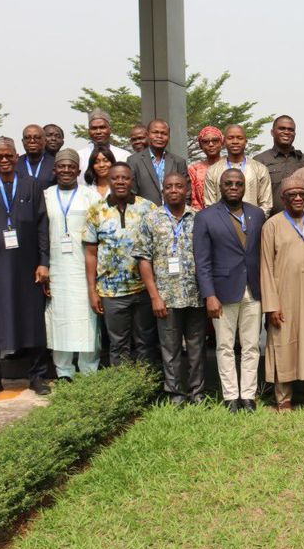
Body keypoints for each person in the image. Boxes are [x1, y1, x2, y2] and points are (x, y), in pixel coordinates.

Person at [0, 138, 51, 397]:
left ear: (17, 156)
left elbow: (42, 226)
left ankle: (37, 376)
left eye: (8, 156)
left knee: (32, 319)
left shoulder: (32, 185)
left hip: (28, 266)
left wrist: (43, 262)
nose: (4, 160)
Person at [193, 168, 266, 413]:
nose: (233, 187)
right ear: (220, 187)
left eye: (238, 183)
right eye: (228, 183)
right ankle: (230, 396)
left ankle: (248, 395)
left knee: (251, 346)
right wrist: (209, 295)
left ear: (245, 187)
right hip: (222, 291)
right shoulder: (205, 217)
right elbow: (202, 261)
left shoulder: (256, 214)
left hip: (253, 290)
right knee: (224, 346)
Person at [260, 180, 304, 411]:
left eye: (302, 193)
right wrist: (271, 305)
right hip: (283, 296)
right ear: (284, 199)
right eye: (292, 195)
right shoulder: (272, 225)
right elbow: (266, 266)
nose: (298, 198)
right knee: (283, 343)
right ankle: (284, 397)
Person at [135, 172, 205, 405]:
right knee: (170, 348)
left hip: (196, 296)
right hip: (165, 297)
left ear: (187, 190)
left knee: (196, 348)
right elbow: (143, 259)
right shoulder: (150, 219)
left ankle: (197, 394)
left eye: (179, 186)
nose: (174, 190)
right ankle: (175, 394)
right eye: (169, 187)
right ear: (163, 191)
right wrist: (154, 296)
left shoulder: (199, 218)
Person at [84, 161, 157, 365]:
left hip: (143, 290)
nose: (120, 181)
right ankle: (124, 392)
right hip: (111, 292)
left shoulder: (147, 207)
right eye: (115, 178)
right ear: (108, 180)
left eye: (125, 177)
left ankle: (145, 388)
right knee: (118, 345)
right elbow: (91, 253)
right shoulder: (96, 211)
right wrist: (92, 290)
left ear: (132, 180)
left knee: (145, 343)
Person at [43, 149, 101, 382]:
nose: (66, 170)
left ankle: (88, 369)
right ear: (55, 170)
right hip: (56, 266)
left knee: (87, 318)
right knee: (59, 319)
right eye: (61, 166)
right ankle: (64, 371)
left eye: (71, 167)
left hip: (83, 268)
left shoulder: (91, 195)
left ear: (78, 171)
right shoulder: (46, 195)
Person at [204, 123, 274, 213]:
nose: (235, 141)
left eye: (239, 138)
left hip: (253, 224)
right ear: (224, 142)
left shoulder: (260, 169)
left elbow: (266, 204)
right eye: (230, 138)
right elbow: (210, 205)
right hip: (222, 225)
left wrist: (254, 222)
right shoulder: (213, 170)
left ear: (246, 141)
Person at [254, 115, 304, 215]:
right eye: (282, 128)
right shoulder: (259, 161)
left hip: (301, 222)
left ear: (295, 134)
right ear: (272, 132)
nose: (286, 132)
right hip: (269, 221)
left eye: (290, 130)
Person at [129, 118, 187, 205]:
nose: (159, 136)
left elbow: (187, 192)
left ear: (169, 137)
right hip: (145, 215)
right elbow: (132, 192)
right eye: (155, 132)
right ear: (148, 135)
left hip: (174, 215)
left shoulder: (179, 162)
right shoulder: (134, 161)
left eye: (164, 133)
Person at [188, 126, 223, 210]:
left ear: (221, 142)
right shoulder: (194, 170)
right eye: (205, 141)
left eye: (215, 140)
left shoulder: (231, 166)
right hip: (203, 215)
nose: (211, 144)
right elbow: (193, 199)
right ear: (200, 145)